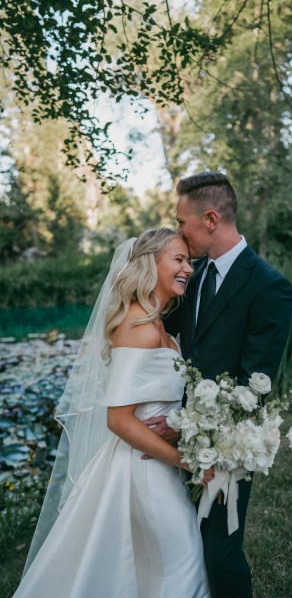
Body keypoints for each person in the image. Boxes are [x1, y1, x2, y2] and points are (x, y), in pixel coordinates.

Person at [12, 228, 212, 598]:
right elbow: (118, 420)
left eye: (189, 260)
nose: (189, 269)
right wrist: (190, 464)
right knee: (181, 561)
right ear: (151, 263)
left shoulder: (158, 324)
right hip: (145, 469)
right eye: (179, 259)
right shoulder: (138, 326)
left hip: (157, 464)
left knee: (159, 566)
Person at [144, 173, 292, 598]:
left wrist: (187, 427)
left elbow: (255, 384)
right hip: (173, 438)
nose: (178, 231)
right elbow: (165, 331)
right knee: (181, 544)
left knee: (220, 550)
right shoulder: (190, 273)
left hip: (227, 443)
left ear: (210, 219)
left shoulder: (269, 286)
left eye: (182, 222)